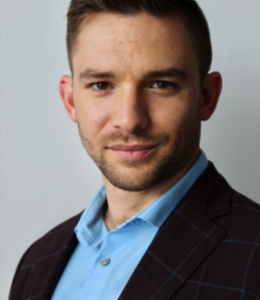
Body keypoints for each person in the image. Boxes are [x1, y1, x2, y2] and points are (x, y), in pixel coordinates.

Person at [9, 0, 260, 299]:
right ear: (71, 100)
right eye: (102, 85)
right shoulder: (35, 263)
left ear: (206, 97)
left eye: (160, 84)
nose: (129, 120)